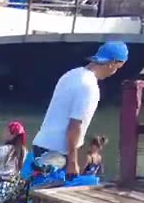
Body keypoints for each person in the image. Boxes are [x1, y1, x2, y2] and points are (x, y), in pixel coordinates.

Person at [31, 41, 127, 179]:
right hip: (58, 151)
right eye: (117, 67)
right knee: (51, 193)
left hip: (42, 142)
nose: (114, 72)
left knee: (38, 191)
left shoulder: (71, 74)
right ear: (111, 63)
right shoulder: (90, 87)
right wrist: (72, 162)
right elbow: (75, 125)